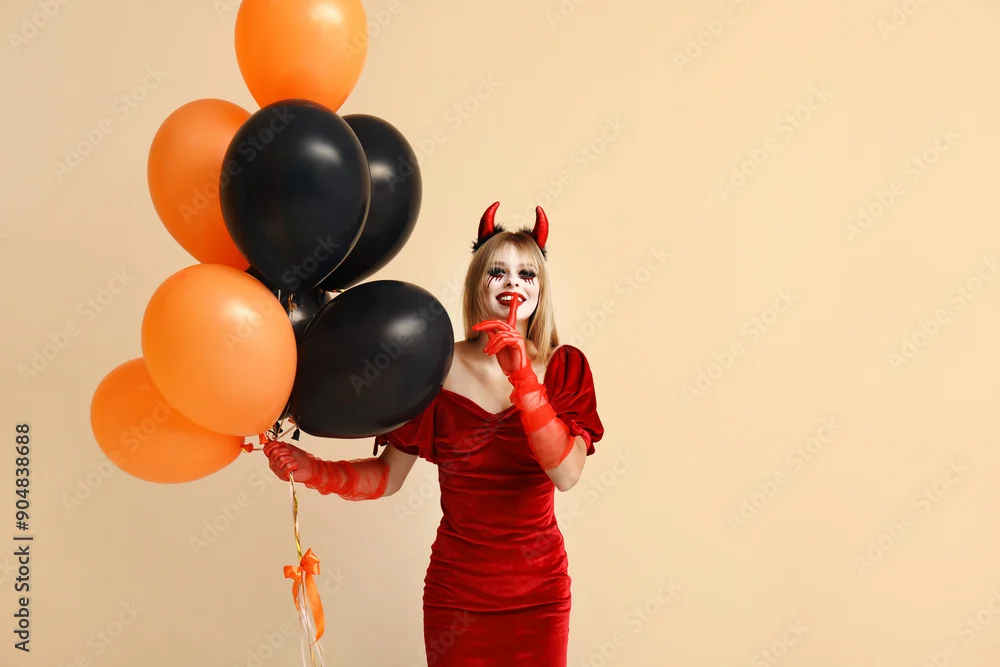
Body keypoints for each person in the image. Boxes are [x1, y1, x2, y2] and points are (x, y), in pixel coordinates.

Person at [263, 201, 605, 666]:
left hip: (539, 596)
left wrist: (524, 378)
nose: (513, 284)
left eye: (527, 274)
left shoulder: (565, 367)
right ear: (477, 282)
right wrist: (312, 469)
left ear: (540, 288)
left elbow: (565, 473)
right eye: (498, 272)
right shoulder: (436, 367)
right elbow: (387, 477)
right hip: (458, 598)